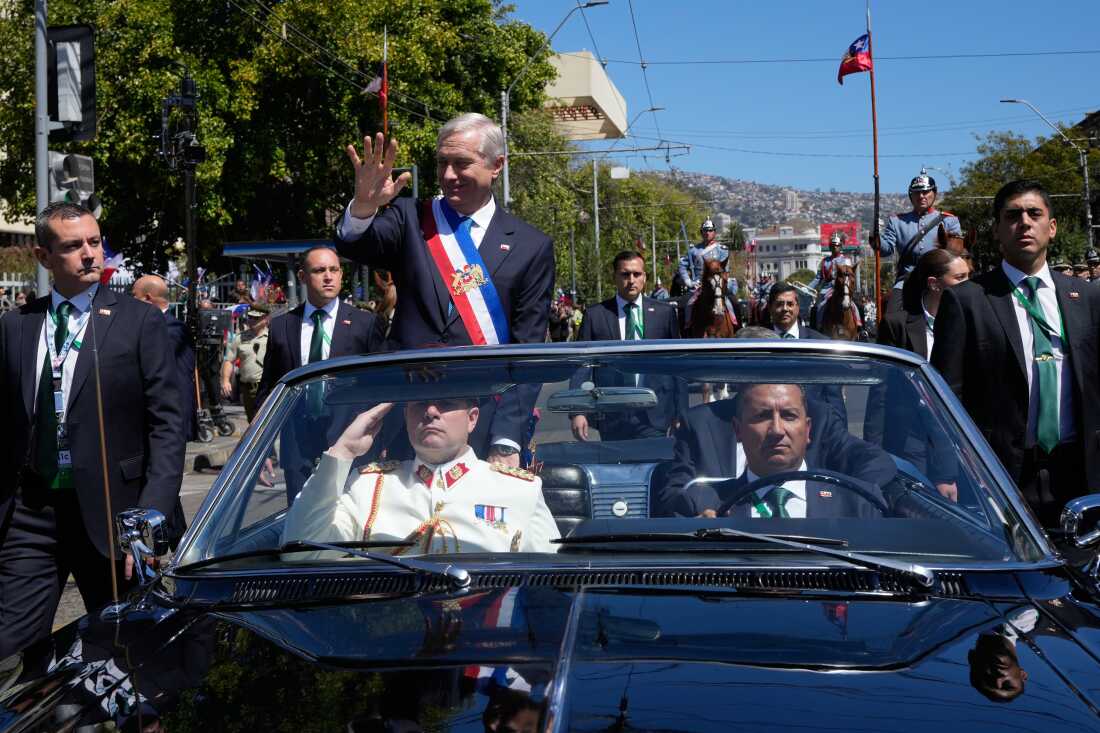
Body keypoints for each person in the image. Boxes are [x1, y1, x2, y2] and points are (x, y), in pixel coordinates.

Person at [0, 202, 185, 660]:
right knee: (13, 647)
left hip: (115, 515)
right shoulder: (16, 325)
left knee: (130, 652)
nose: (89, 254)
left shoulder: (139, 321)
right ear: (44, 257)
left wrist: (150, 517)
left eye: (94, 242)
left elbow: (167, 425)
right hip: (33, 514)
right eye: (73, 246)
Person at [334, 113, 554, 466]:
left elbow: (525, 352)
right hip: (404, 420)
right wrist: (363, 207)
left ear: (496, 166)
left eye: (461, 163)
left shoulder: (531, 245)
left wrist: (507, 439)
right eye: (442, 163)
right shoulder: (411, 218)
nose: (449, 175)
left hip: (482, 425)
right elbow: (356, 245)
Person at [931, 180, 1100, 527]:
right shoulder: (967, 300)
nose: (1024, 222)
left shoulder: (1086, 298)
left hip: (1079, 471)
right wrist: (945, 473)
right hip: (1000, 475)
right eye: (1012, 215)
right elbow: (947, 396)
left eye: (1034, 213)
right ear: (997, 230)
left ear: (1051, 228)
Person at [281, 399, 560, 554]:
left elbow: (551, 585)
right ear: (406, 416)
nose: (430, 411)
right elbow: (300, 552)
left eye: (447, 402)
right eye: (419, 404)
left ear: (472, 418)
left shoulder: (520, 490)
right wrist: (342, 452)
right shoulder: (367, 485)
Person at [256, 245, 387, 503]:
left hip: (352, 445)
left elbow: (382, 387)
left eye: (334, 270)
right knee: (302, 526)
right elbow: (269, 390)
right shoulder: (283, 326)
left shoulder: (364, 323)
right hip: (298, 447)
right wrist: (261, 450)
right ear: (303, 277)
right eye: (319, 270)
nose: (328, 276)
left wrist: (383, 441)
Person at [670, 382, 893, 519]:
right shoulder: (702, 505)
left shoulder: (858, 505)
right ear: (738, 430)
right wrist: (697, 543)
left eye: (789, 416)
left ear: (807, 430)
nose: (777, 430)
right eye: (762, 416)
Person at [866, 249, 969, 502]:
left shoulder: (973, 319)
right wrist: (873, 456)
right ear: (934, 284)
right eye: (960, 278)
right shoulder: (897, 325)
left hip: (963, 447)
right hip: (911, 445)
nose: (969, 285)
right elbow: (880, 395)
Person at [569, 251, 683, 442]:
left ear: (644, 277)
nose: (631, 280)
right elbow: (583, 366)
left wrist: (681, 413)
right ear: (614, 277)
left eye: (637, 274)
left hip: (655, 415)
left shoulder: (665, 314)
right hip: (612, 414)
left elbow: (677, 367)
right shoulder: (596, 315)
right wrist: (578, 411)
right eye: (625, 274)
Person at [875, 170, 962, 312]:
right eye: (916, 193)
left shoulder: (949, 221)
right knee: (892, 316)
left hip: (939, 280)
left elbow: (955, 253)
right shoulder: (897, 221)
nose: (921, 196)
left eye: (926, 192)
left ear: (934, 193)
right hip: (906, 281)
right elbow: (886, 250)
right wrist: (876, 240)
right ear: (911, 195)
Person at [766, 281, 846, 421]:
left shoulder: (821, 345)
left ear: (797, 307)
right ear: (770, 307)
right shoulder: (756, 343)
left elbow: (834, 402)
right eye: (779, 304)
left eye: (790, 304)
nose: (785, 309)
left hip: (812, 431)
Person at [132, 274, 197, 442]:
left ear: (147, 299)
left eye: (134, 296)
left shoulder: (169, 328)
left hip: (169, 420)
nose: (130, 302)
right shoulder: (163, 325)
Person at [678, 218, 739, 322]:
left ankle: (736, 325)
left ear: (714, 232)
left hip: (717, 286)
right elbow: (682, 266)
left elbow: (726, 271)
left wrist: (722, 283)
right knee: (686, 305)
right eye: (705, 230)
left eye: (710, 230)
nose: (707, 232)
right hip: (698, 286)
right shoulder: (693, 251)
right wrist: (689, 282)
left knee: (732, 303)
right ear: (701, 232)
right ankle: (686, 328)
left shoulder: (722, 250)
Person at [221, 303, 270, 422]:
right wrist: (225, 380)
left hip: (266, 388)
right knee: (252, 422)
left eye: (256, 318)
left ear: (265, 319)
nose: (252, 320)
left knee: (264, 423)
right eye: (250, 317)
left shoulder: (272, 336)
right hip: (247, 389)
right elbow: (229, 360)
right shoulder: (239, 338)